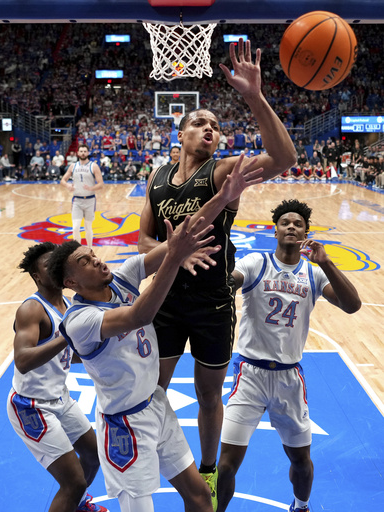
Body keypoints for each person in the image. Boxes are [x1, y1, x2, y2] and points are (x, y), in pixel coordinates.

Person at [48, 154, 264, 512]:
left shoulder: (122, 276)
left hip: (157, 407)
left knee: (198, 497)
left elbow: (184, 234)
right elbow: (140, 314)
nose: (98, 259)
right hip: (125, 425)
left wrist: (223, 198)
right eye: (86, 262)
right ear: (71, 283)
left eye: (93, 253)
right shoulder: (79, 320)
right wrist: (174, 259)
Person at [138, 38, 296, 510]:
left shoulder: (224, 171)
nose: (210, 129)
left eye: (215, 125)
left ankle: (206, 471)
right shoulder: (158, 177)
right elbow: (143, 243)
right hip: (164, 301)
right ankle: (148, 461)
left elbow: (284, 158)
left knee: (209, 392)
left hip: (212, 304)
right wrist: (175, 253)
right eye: (200, 123)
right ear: (180, 134)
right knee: (154, 390)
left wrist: (254, 95)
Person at [216, 199, 361, 512]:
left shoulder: (313, 273)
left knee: (301, 461)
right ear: (276, 229)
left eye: (298, 223)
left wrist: (327, 263)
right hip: (249, 375)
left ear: (306, 231)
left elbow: (353, 305)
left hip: (289, 378)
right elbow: (234, 280)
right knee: (226, 465)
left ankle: (301, 505)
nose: (292, 226)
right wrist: (222, 279)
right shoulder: (257, 262)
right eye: (286, 222)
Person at [6, 242, 108, 512]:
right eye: (46, 265)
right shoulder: (32, 309)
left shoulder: (67, 304)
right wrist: (67, 337)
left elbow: (66, 352)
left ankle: (76, 505)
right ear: (37, 276)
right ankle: (75, 497)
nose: (54, 267)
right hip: (31, 406)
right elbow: (23, 360)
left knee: (93, 455)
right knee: (72, 482)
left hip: (59, 398)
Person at [60, 144, 104, 249]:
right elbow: (62, 180)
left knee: (88, 227)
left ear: (88, 153)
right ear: (78, 153)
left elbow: (101, 184)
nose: (83, 153)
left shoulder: (93, 166)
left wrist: (91, 188)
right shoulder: (73, 166)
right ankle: (78, 249)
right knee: (75, 228)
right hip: (77, 201)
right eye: (81, 151)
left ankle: (90, 249)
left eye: (85, 151)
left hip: (90, 200)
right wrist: (67, 185)